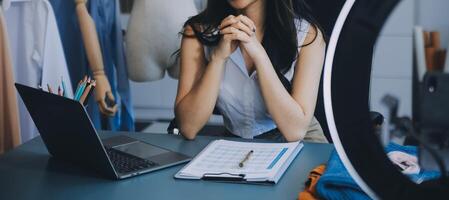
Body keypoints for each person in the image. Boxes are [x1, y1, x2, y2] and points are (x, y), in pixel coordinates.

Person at [174, 0, 328, 143]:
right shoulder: (198, 32)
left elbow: (295, 131)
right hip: (237, 143)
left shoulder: (307, 35)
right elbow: (188, 128)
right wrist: (218, 59)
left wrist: (259, 56)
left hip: (302, 142)